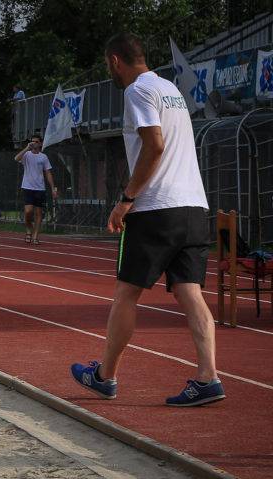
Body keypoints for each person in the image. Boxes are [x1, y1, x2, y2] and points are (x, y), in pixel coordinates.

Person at [70, 32, 223, 407]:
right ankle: (208, 377)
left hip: (156, 208)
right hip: (194, 207)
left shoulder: (136, 91)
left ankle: (105, 376)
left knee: (126, 293)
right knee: (191, 293)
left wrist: (126, 200)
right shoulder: (170, 89)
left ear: (115, 61)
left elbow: (154, 145)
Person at [14, 134, 58, 244]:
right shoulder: (26, 154)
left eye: (36, 142)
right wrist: (27, 148)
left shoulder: (43, 157)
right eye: (32, 141)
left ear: (40, 143)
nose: (34, 143)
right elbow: (16, 158)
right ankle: (29, 229)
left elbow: (48, 172)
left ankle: (35, 236)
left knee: (38, 213)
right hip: (27, 187)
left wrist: (53, 188)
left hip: (40, 188)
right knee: (28, 212)